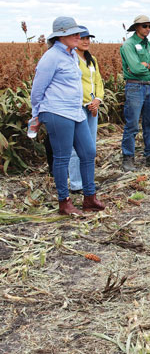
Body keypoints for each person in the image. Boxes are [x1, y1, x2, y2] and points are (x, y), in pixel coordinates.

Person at [30, 17, 105, 215]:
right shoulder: (51, 57)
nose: (78, 37)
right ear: (61, 36)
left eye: (78, 33)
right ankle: (64, 202)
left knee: (88, 152)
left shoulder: (71, 55)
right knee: (62, 157)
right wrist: (36, 114)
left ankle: (89, 197)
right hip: (56, 111)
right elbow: (37, 90)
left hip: (75, 111)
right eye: (73, 34)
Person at [120, 14, 150, 171]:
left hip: (148, 86)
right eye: (144, 26)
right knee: (132, 124)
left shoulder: (149, 45)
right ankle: (128, 158)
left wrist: (148, 65)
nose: (148, 29)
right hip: (134, 87)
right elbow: (135, 68)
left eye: (149, 27)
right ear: (136, 28)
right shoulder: (129, 45)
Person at [67, 26, 104, 193]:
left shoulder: (92, 59)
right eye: (82, 38)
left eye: (88, 38)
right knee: (76, 147)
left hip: (92, 108)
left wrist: (97, 100)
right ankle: (76, 184)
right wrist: (87, 101)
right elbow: (72, 84)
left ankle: (88, 181)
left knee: (90, 146)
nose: (86, 41)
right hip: (77, 107)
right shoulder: (70, 59)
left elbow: (98, 82)